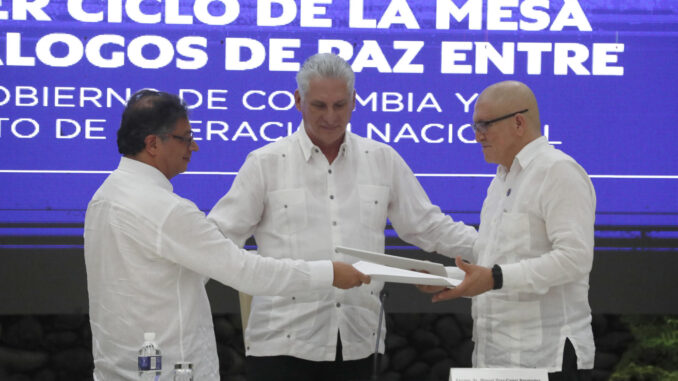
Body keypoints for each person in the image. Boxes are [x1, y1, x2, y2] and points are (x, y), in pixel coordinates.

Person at [207, 53, 478, 381]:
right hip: (281, 342)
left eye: (339, 105)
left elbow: (427, 226)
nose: (331, 116)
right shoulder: (265, 163)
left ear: (354, 102)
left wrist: (497, 248)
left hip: (358, 341)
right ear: (298, 101)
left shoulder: (382, 159)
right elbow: (219, 237)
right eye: (319, 105)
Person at [83, 89, 369, 381]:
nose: (193, 147)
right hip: (167, 371)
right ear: (153, 144)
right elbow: (245, 272)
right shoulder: (166, 210)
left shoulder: (104, 196)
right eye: (185, 137)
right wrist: (329, 273)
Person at [431, 81, 596, 380]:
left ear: (519, 122)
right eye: (474, 126)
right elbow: (497, 257)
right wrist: (451, 278)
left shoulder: (558, 171)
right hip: (495, 356)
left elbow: (575, 259)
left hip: (547, 358)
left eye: (484, 125)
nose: (477, 136)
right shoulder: (502, 179)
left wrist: (494, 278)